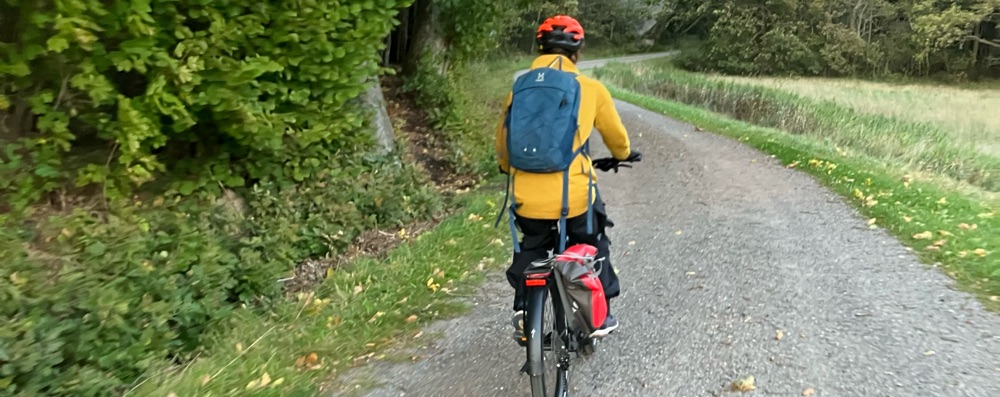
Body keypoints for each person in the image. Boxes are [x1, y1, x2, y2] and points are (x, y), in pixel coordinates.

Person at [494, 14, 641, 340]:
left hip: (525, 195)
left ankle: (524, 306)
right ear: (578, 51)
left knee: (533, 245)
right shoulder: (590, 88)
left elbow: (503, 144)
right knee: (591, 241)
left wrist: (507, 167)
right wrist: (622, 155)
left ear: (539, 47)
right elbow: (617, 138)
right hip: (573, 196)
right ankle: (598, 317)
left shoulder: (519, 88)